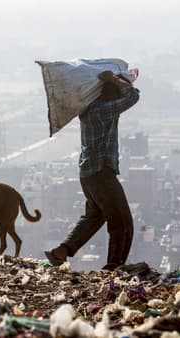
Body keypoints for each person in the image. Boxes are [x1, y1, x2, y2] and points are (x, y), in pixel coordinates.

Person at [45, 70, 140, 270]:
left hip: (88, 173)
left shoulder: (90, 109)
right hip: (101, 173)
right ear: (111, 94)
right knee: (122, 222)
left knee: (95, 216)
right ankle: (114, 266)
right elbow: (133, 95)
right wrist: (114, 79)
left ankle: (62, 251)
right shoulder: (102, 111)